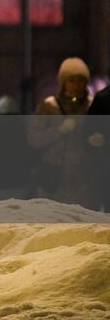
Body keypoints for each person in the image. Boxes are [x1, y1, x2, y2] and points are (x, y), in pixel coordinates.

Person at [29, 56, 98, 208]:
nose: (77, 85)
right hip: (55, 178)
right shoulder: (49, 106)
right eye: (72, 80)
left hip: (84, 178)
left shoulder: (94, 106)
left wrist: (99, 140)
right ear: (63, 82)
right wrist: (58, 131)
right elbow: (34, 139)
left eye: (81, 80)